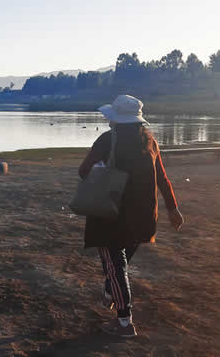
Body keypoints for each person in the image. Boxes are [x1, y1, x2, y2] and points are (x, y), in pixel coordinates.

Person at [78, 94, 184, 338]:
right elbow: (162, 178)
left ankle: (124, 323)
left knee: (115, 266)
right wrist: (172, 208)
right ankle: (110, 293)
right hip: (144, 217)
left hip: (110, 215)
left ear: (115, 119)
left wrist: (100, 172)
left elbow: (84, 171)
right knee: (119, 263)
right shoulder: (150, 140)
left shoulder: (107, 141)